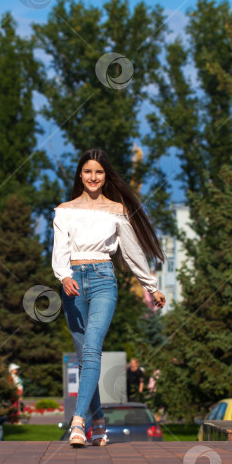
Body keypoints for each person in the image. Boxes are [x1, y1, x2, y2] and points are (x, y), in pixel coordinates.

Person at [52, 148, 166, 447]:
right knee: (84, 357)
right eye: (88, 171)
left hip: (104, 280)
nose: (93, 177)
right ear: (80, 174)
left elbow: (130, 251)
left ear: (106, 176)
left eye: (99, 172)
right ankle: (99, 418)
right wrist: (64, 276)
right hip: (72, 283)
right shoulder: (64, 210)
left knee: (92, 350)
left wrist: (151, 285)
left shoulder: (116, 210)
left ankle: (79, 423)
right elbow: (59, 250)